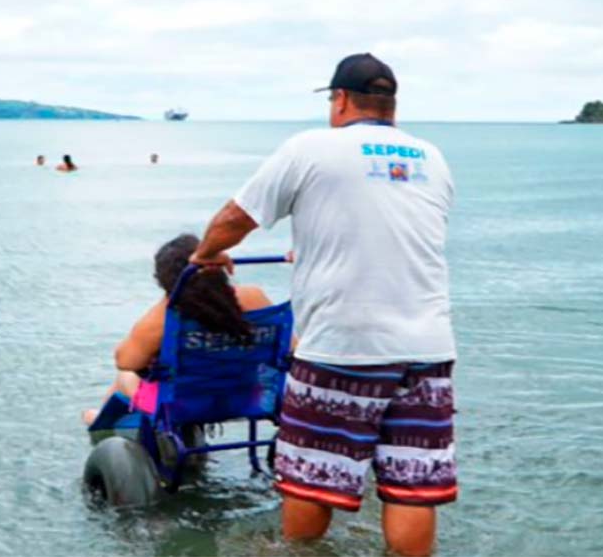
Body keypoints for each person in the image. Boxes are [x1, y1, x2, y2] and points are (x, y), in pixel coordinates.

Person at [188, 53, 456, 557]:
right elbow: (386, 227)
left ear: (339, 100)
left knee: (313, 476)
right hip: (427, 348)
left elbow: (236, 217)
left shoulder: (311, 148)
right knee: (412, 483)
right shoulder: (432, 159)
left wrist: (206, 254)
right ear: (391, 105)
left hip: (342, 346)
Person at [81, 233, 273, 424]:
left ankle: (100, 419)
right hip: (250, 397)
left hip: (181, 405)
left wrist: (169, 298)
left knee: (125, 376)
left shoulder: (165, 318)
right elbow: (290, 346)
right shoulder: (254, 297)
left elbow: (124, 360)